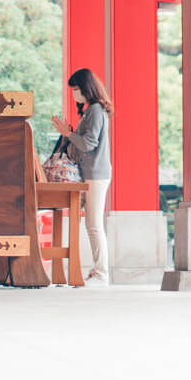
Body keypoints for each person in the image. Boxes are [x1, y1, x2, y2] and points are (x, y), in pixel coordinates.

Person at [51, 67, 111, 285]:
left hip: (96, 174)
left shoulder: (95, 110)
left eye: (76, 89)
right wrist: (69, 134)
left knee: (94, 224)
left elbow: (88, 144)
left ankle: (101, 273)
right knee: (90, 224)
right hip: (90, 173)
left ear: (86, 87)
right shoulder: (91, 110)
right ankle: (95, 271)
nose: (75, 93)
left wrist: (68, 134)